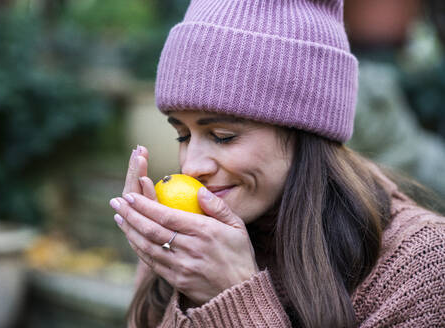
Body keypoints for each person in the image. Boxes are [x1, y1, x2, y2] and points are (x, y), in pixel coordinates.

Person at [109, 0, 445, 327]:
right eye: (183, 135)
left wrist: (233, 299)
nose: (191, 166)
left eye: (223, 136)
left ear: (306, 132)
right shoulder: (185, 244)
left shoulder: (421, 266)